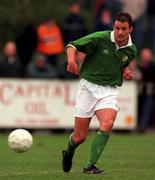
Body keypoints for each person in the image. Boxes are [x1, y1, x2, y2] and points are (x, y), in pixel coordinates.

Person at [61, 12, 137, 174]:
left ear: (130, 29)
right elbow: (72, 45)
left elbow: (120, 63)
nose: (120, 33)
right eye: (117, 28)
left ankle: (89, 166)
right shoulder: (101, 38)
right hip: (88, 88)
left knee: (107, 124)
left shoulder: (131, 50)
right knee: (79, 137)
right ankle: (68, 153)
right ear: (113, 27)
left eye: (124, 29)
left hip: (109, 90)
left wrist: (125, 71)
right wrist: (71, 60)